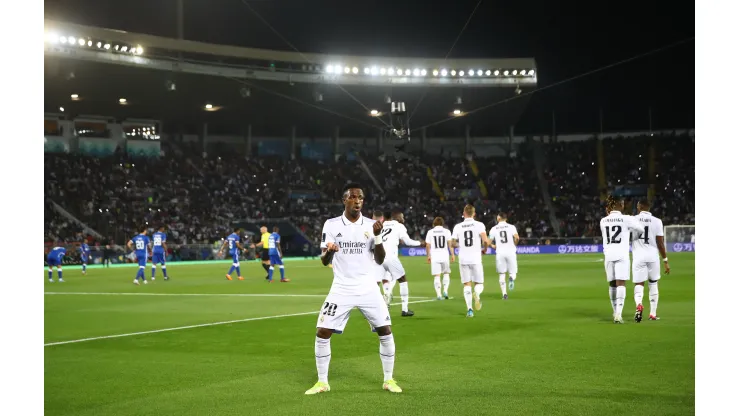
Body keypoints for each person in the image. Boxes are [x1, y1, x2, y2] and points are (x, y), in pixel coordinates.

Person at [305, 183, 402, 395]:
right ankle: (322, 382)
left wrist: (377, 237)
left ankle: (389, 380)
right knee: (322, 331)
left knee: (385, 330)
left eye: (361, 198)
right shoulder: (330, 225)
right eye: (354, 197)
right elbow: (324, 261)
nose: (358, 200)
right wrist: (330, 251)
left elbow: (380, 259)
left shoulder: (372, 225)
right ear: (344, 200)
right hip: (341, 287)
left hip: (368, 287)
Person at [600, 196, 643, 324]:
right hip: (621, 254)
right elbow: (641, 229)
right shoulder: (627, 219)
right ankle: (618, 314)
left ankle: (615, 311)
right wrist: (631, 238)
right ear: (622, 205)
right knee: (621, 284)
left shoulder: (603, 221)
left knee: (612, 284)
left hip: (608, 255)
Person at [631, 200, 670, 322]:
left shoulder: (632, 220)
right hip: (653, 256)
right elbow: (660, 242)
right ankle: (652, 314)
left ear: (639, 207)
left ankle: (639, 304)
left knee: (639, 284)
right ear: (648, 208)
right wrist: (665, 260)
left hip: (638, 256)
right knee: (653, 283)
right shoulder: (657, 221)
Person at [379, 211, 424, 316]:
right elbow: (408, 242)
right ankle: (404, 309)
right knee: (402, 280)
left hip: (378, 257)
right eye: (402, 216)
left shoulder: (381, 225)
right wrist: (420, 243)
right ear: (397, 217)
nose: (403, 218)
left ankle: (386, 296)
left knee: (385, 279)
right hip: (391, 257)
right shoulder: (399, 226)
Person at [451, 205, 490, 317]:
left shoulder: (458, 226)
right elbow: (485, 240)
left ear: (464, 213)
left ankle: (469, 310)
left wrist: (460, 244)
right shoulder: (479, 225)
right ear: (474, 213)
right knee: (479, 283)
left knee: (466, 284)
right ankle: (476, 293)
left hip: (463, 259)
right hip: (476, 258)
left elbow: (453, 244)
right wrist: (485, 249)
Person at [488, 213, 519, 299]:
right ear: (506, 219)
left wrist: (493, 246)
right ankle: (511, 278)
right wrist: (514, 244)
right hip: (510, 252)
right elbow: (517, 238)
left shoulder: (494, 229)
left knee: (502, 274)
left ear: (498, 218)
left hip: (500, 253)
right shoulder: (512, 227)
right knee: (513, 272)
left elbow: (488, 241)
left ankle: (504, 294)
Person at [425, 216, 454, 300]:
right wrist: (452, 255)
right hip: (444, 255)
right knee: (446, 273)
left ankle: (438, 294)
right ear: (442, 223)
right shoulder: (447, 231)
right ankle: (445, 290)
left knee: (437, 276)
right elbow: (450, 245)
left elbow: (427, 245)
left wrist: (428, 256)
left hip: (435, 256)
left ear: (434, 223)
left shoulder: (430, 232)